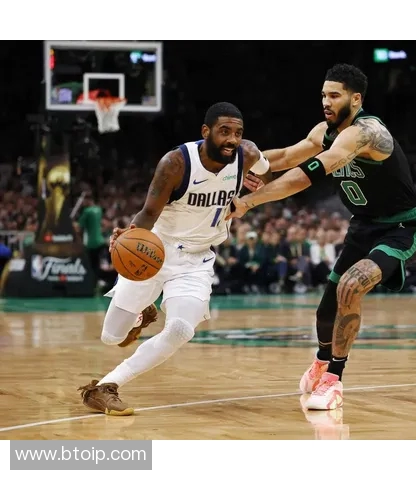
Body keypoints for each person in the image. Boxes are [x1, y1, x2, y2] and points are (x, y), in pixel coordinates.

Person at [227, 64, 416, 410]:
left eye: (334, 95)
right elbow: (285, 157)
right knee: (325, 312)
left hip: (399, 228)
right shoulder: (325, 131)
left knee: (352, 285)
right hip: (362, 226)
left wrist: (249, 202)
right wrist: (239, 165)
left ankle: (334, 380)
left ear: (356, 99)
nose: (326, 102)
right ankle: (321, 362)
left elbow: (304, 176)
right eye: (323, 95)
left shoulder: (367, 133)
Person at [78, 102, 272, 415]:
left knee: (181, 330)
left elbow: (268, 172)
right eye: (224, 131)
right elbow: (149, 212)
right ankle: (142, 314)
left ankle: (104, 387)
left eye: (238, 133)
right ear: (206, 131)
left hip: (196, 260)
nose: (232, 139)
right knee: (112, 337)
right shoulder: (176, 163)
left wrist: (251, 188)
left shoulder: (247, 154)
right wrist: (128, 236)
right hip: (154, 252)